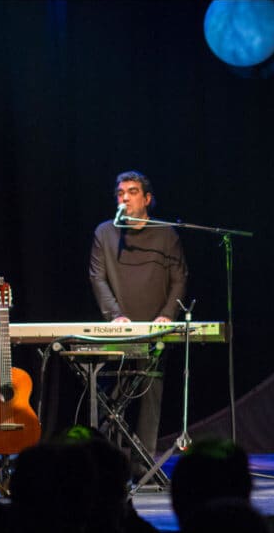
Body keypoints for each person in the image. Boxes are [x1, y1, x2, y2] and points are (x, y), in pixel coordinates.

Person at [89, 170, 188, 477]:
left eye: (132, 192)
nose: (125, 197)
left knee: (150, 393)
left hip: (156, 327)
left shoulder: (166, 233)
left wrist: (168, 315)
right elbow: (98, 277)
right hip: (118, 327)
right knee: (109, 395)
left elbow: (179, 276)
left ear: (146, 199)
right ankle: (107, 466)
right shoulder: (105, 233)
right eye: (120, 193)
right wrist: (114, 315)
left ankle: (142, 466)